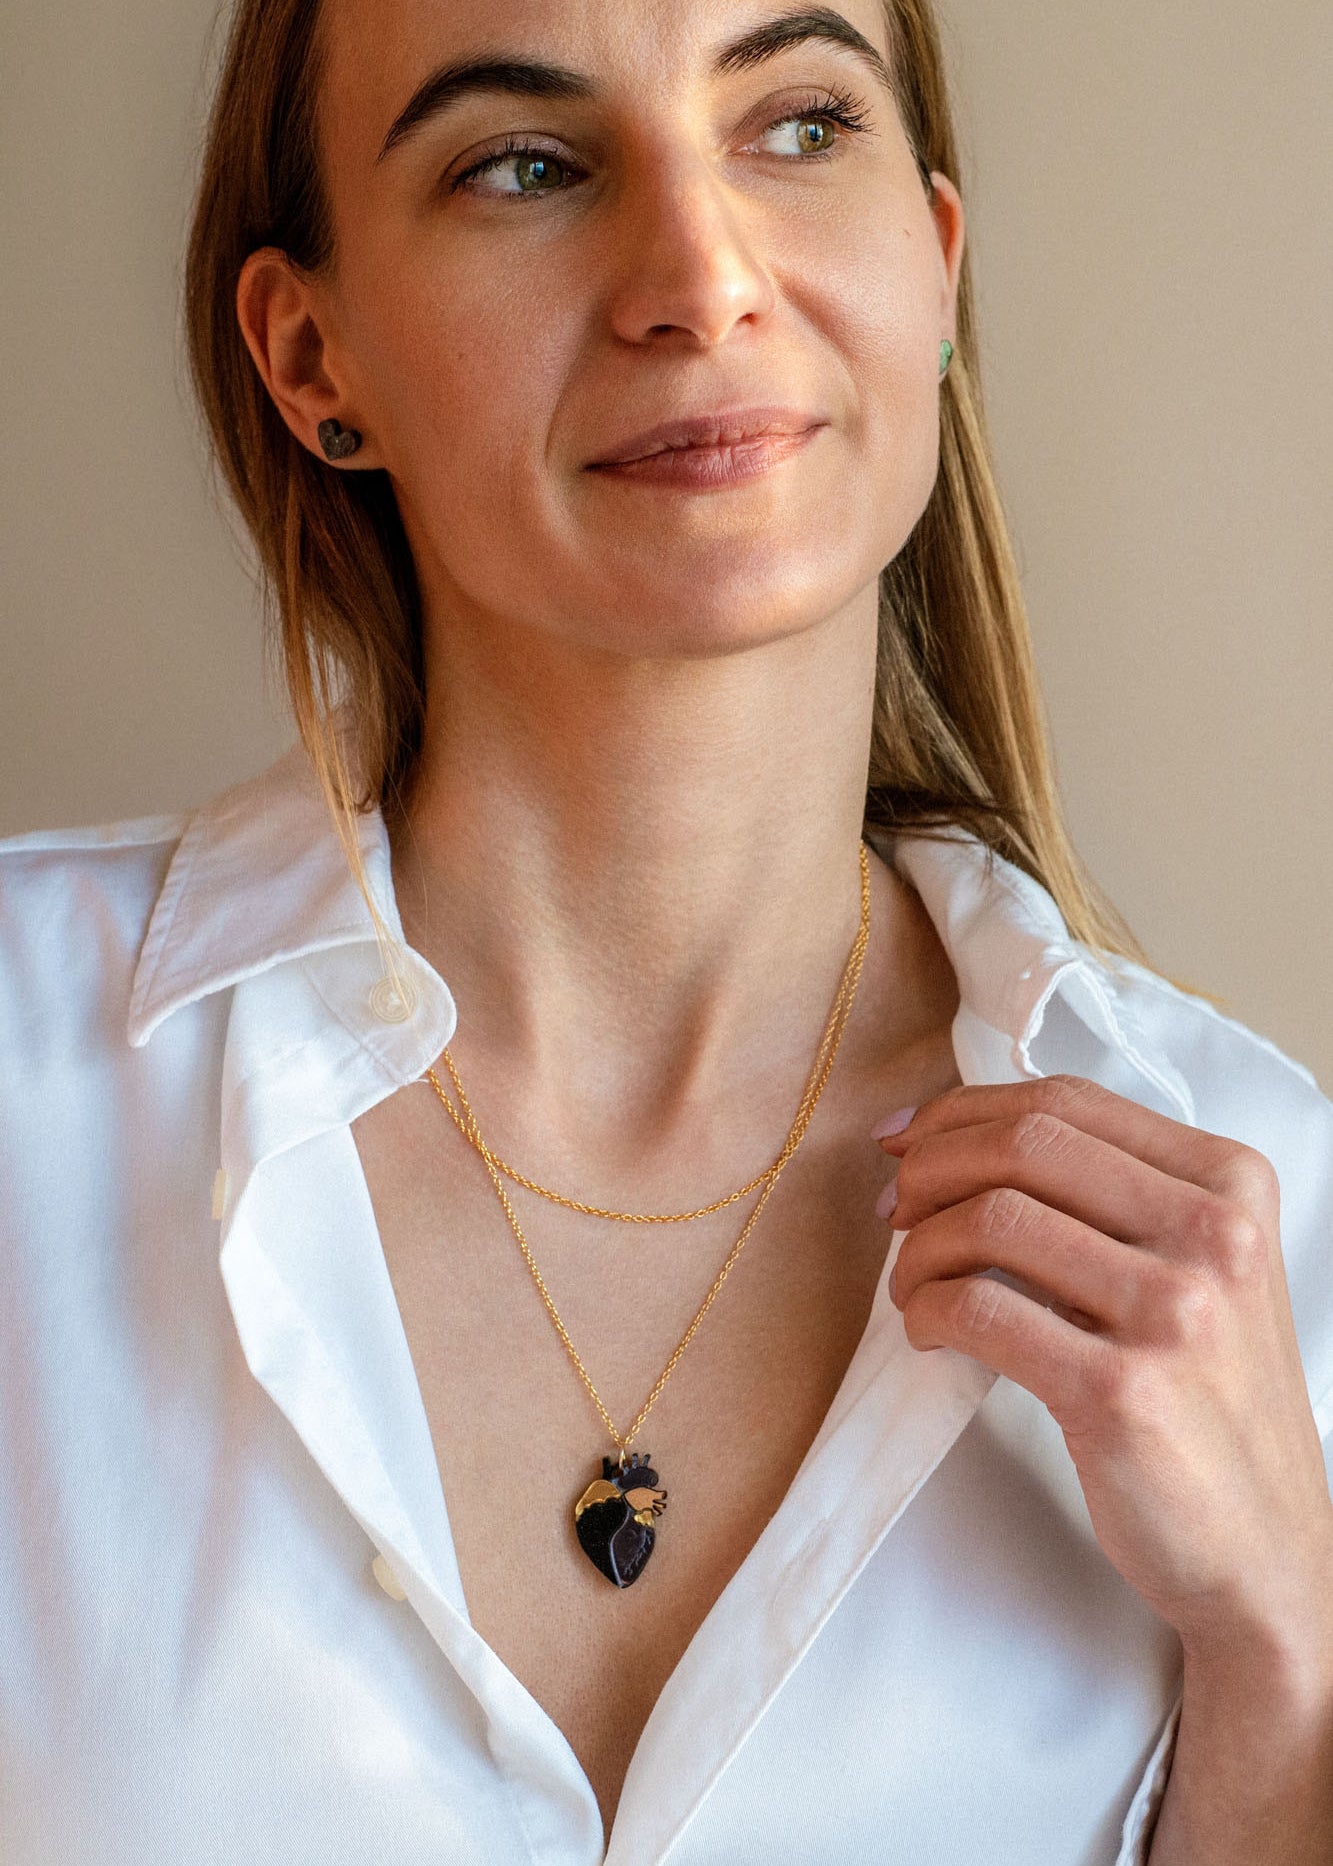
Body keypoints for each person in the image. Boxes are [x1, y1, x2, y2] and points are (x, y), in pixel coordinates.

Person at [1, 1, 1330, 1861]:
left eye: (795, 126)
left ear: (933, 268)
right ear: (316, 358)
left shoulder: (1273, 1225)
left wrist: (1281, 1659)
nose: (702, 278)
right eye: (525, 166)